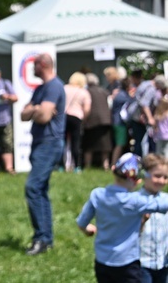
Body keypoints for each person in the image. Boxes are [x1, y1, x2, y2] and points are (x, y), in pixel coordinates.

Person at [76, 153, 168, 283]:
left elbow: (81, 222)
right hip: (127, 264)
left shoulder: (97, 195)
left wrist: (87, 230)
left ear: (113, 169)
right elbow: (162, 204)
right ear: (137, 180)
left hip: (102, 262)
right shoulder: (136, 202)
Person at [21, 52, 66, 256]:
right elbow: (23, 114)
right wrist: (37, 108)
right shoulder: (41, 88)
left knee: (33, 188)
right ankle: (45, 238)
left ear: (43, 65)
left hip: (49, 144)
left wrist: (36, 109)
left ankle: (41, 238)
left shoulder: (54, 86)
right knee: (40, 190)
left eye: (35, 65)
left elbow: (43, 117)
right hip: (40, 143)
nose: (32, 69)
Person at [139, 153, 168, 283]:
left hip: (164, 262)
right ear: (145, 175)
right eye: (157, 176)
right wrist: (142, 221)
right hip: (141, 262)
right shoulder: (135, 200)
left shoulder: (166, 199)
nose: (161, 181)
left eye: (165, 177)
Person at [83, 73, 112, 170]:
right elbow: (110, 104)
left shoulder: (86, 91)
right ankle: (105, 165)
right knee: (105, 145)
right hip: (105, 120)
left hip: (92, 121)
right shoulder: (104, 91)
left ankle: (87, 165)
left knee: (89, 145)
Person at [130, 69, 156, 156]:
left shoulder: (142, 86)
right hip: (140, 118)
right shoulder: (150, 88)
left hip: (137, 117)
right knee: (143, 142)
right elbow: (144, 104)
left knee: (139, 140)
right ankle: (141, 161)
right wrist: (149, 117)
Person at [152, 75, 168, 158]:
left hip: (161, 135)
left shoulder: (159, 116)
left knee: (161, 151)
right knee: (164, 151)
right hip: (162, 135)